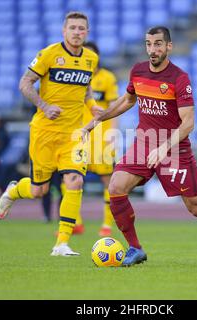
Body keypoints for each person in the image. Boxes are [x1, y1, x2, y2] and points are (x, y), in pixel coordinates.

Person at [82, 26, 197, 267]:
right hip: (144, 142)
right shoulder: (138, 71)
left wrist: (163, 147)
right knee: (117, 186)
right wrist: (99, 118)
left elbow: (188, 123)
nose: (153, 49)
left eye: (158, 44)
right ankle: (135, 248)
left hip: (174, 150)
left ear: (169, 46)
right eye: (149, 44)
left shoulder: (179, 78)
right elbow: (128, 99)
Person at [0, 12, 102, 256]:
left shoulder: (90, 59)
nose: (77, 32)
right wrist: (44, 106)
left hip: (74, 135)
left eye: (81, 28)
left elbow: (85, 90)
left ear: (87, 32)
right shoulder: (49, 54)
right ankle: (13, 190)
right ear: (64, 31)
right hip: (44, 133)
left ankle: (61, 244)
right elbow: (24, 83)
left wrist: (92, 105)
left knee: (74, 181)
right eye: (73, 28)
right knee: (38, 191)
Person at [73, 41, 119, 237]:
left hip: (101, 137)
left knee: (108, 181)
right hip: (79, 135)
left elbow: (115, 108)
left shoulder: (107, 78)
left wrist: (112, 135)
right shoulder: (76, 77)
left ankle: (107, 224)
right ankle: (76, 223)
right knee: (71, 178)